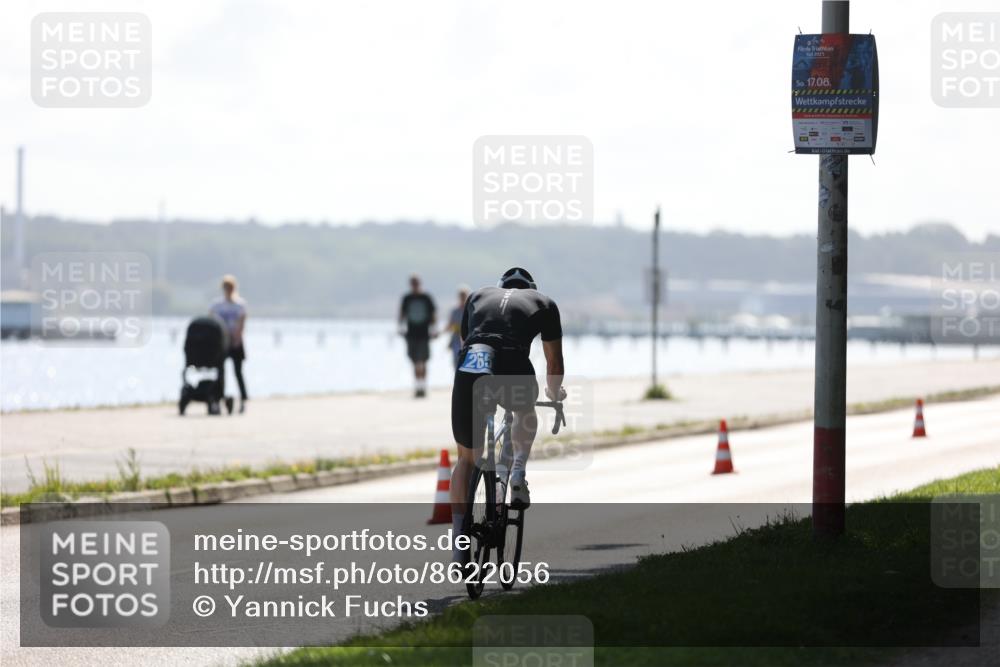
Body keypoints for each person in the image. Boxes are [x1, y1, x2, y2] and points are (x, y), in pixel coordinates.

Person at [449, 267, 565, 562]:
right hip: (513, 362)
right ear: (531, 287)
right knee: (526, 411)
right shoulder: (544, 302)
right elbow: (553, 361)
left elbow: (466, 343)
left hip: (473, 364)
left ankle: (460, 541)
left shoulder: (476, 295)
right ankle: (517, 475)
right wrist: (554, 393)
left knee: (465, 460)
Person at [210, 274, 248, 413]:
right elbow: (211, 321)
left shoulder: (240, 304)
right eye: (226, 287)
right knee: (220, 372)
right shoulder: (217, 305)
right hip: (221, 343)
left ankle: (243, 400)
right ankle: (217, 399)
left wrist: (236, 339)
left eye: (230, 287)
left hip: (236, 342)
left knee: (238, 372)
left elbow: (242, 323)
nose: (228, 290)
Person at [398, 275, 437, 398]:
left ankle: (423, 386)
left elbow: (433, 313)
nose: (414, 285)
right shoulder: (407, 298)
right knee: (415, 361)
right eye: (413, 283)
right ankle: (417, 386)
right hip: (411, 333)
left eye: (416, 283)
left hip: (424, 333)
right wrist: (400, 327)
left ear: (420, 283)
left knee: (423, 361)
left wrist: (434, 329)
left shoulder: (426, 297)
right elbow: (402, 314)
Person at [446, 285, 471, 369]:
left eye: (464, 295)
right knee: (456, 362)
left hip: (468, 338)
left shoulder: (471, 310)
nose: (462, 298)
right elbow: (449, 326)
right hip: (456, 339)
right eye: (461, 296)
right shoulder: (455, 311)